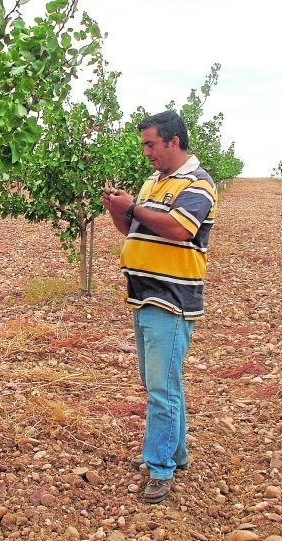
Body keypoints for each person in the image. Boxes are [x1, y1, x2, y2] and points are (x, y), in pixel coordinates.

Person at [101, 110, 217, 504]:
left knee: (160, 388)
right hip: (145, 294)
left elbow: (178, 228)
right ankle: (174, 453)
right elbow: (135, 228)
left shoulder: (198, 184)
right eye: (144, 145)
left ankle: (160, 468)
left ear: (173, 141)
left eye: (151, 144)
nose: (146, 152)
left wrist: (133, 207)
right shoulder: (154, 182)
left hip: (170, 300)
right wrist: (121, 209)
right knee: (165, 383)